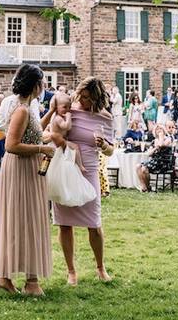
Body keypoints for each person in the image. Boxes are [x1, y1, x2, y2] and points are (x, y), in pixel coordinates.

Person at [0, 64, 54, 297]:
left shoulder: (29, 108)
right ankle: (30, 281)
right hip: (20, 168)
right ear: (36, 85)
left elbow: (33, 133)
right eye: (43, 82)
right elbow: (10, 145)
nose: (45, 86)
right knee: (24, 220)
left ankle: (7, 277)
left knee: (24, 219)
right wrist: (42, 149)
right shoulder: (22, 110)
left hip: (29, 167)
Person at [48, 76, 114, 286]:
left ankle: (100, 267)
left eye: (86, 98)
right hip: (66, 168)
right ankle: (71, 271)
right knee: (64, 223)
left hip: (90, 170)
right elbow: (52, 128)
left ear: (96, 98)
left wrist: (103, 145)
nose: (81, 101)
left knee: (94, 223)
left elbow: (111, 150)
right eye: (80, 96)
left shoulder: (105, 117)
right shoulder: (69, 110)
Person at [136, 123, 174, 192]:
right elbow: (149, 154)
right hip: (155, 161)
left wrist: (161, 136)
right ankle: (144, 186)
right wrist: (154, 148)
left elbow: (160, 144)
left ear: (163, 130)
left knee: (144, 169)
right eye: (157, 129)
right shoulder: (154, 141)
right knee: (138, 166)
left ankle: (148, 187)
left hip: (163, 162)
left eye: (160, 129)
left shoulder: (168, 139)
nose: (159, 131)